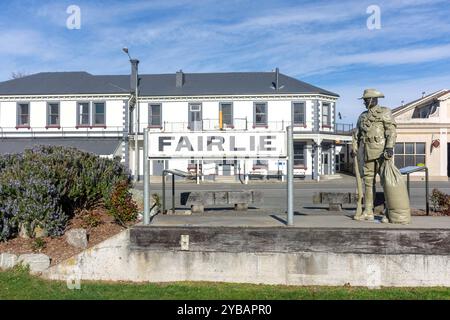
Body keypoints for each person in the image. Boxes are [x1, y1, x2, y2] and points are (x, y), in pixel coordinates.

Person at [351, 89, 396, 220]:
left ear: (372, 99)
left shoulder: (385, 112)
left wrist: (389, 147)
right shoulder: (362, 116)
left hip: (382, 153)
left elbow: (391, 131)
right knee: (368, 183)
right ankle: (368, 211)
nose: (364, 102)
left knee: (386, 182)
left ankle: (389, 212)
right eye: (364, 100)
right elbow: (357, 135)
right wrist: (354, 147)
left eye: (366, 100)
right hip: (367, 153)